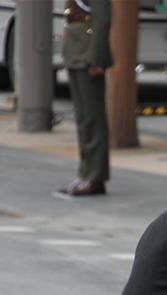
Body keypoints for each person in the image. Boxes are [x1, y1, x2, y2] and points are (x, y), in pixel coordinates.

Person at [58, 0, 112, 197]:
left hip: (87, 53)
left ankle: (95, 176)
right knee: (82, 118)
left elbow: (102, 17)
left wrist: (97, 58)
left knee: (92, 117)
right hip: (76, 49)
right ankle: (86, 172)